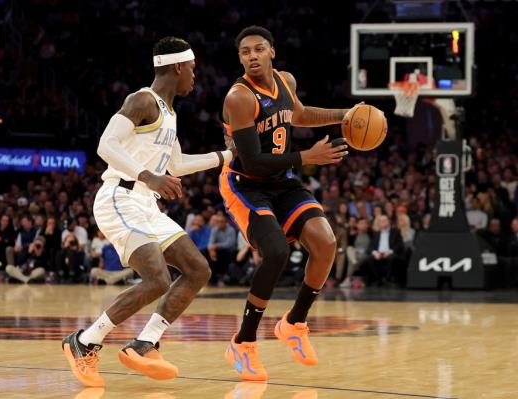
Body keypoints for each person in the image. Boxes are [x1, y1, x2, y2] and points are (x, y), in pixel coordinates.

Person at [62, 36, 234, 387]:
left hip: (145, 202)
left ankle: (145, 343)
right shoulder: (142, 100)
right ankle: (83, 342)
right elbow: (105, 145)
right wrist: (149, 177)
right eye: (192, 69)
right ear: (176, 67)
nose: (194, 76)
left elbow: (179, 163)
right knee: (158, 278)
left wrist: (228, 156)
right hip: (119, 198)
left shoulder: (170, 114)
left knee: (197, 269)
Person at [219, 25, 363, 381]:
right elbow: (252, 162)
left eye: (258, 49)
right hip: (245, 184)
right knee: (277, 253)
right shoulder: (239, 97)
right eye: (245, 52)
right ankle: (243, 342)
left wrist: (344, 115)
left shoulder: (286, 81)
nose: (252, 56)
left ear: (272, 52)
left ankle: (294, 323)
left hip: (281, 181)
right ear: (240, 58)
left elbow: (299, 114)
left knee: (326, 243)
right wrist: (307, 156)